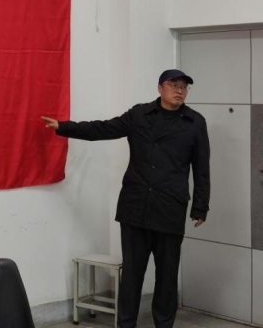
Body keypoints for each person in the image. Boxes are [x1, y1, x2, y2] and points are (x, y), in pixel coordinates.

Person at [42, 69, 210, 328]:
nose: (179, 91)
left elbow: (201, 167)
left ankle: (164, 324)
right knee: (132, 275)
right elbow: (103, 128)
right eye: (173, 85)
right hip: (135, 208)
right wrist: (64, 127)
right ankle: (126, 324)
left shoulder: (195, 122)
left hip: (170, 208)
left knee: (167, 277)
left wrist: (200, 206)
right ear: (160, 88)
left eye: (184, 87)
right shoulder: (139, 115)